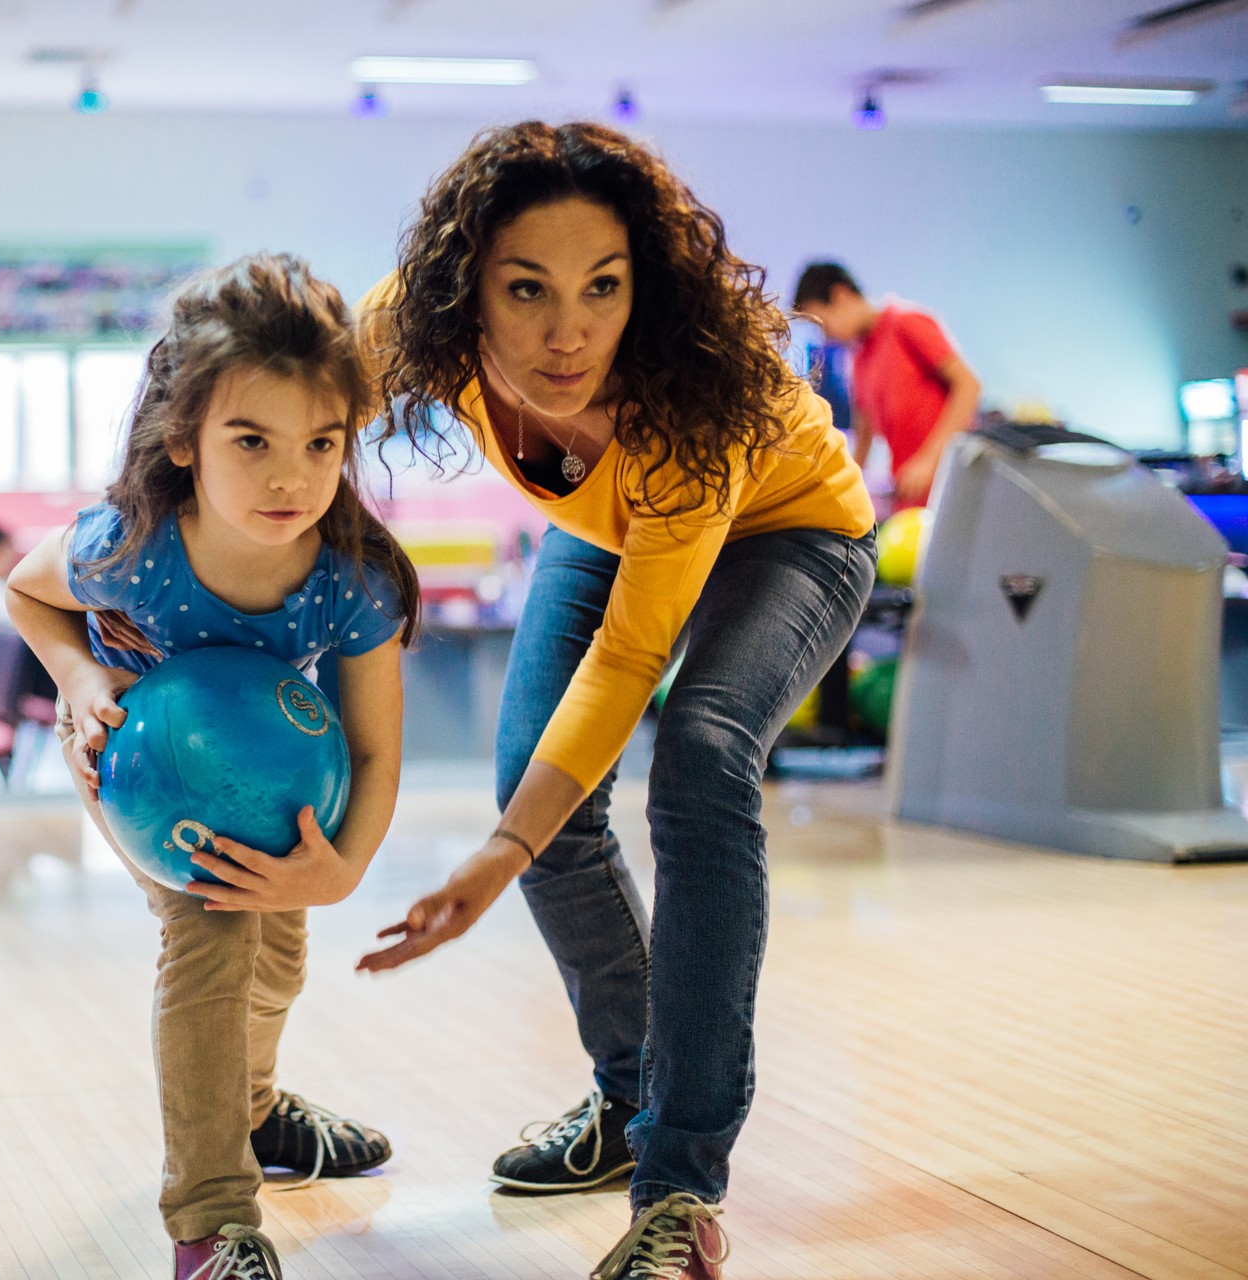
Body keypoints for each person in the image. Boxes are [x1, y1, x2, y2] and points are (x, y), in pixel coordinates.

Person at [355, 122, 876, 1279]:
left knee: (699, 751)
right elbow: (272, 381)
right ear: (466, 290)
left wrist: (496, 855)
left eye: (604, 287)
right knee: (534, 785)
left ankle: (680, 1189)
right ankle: (631, 1096)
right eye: (526, 289)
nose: (567, 331)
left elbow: (631, 662)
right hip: (608, 527)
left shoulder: (693, 407)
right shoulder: (416, 326)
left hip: (790, 530)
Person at [6, 253, 420, 1280]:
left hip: (277, 775)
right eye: (252, 440)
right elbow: (27, 590)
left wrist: (343, 870)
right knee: (212, 940)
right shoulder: (130, 547)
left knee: (278, 956)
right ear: (184, 440)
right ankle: (211, 1218)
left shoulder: (350, 577)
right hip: (136, 757)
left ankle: (259, 1114)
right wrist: (75, 678)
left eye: (321, 443)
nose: (291, 475)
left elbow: (373, 748)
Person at [791, 261, 981, 510]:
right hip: (907, 498)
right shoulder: (858, 357)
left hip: (948, 490)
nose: (825, 336)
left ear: (840, 295)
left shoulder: (906, 323)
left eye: (823, 324)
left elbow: (968, 385)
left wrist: (929, 460)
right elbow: (865, 431)